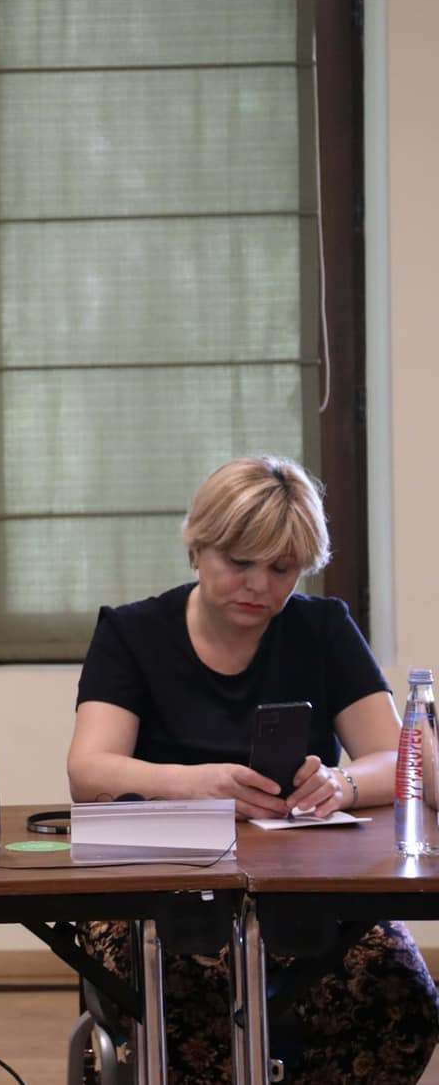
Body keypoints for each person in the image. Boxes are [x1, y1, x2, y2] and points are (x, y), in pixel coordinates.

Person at [68, 455, 439, 1084]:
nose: (259, 586)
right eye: (239, 562)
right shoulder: (133, 633)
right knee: (189, 997)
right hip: (160, 889)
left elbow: (404, 761)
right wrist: (197, 784)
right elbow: (89, 771)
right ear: (197, 547)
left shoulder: (322, 628)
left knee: (398, 995)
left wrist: (342, 783)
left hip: (306, 888)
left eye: (281, 569)